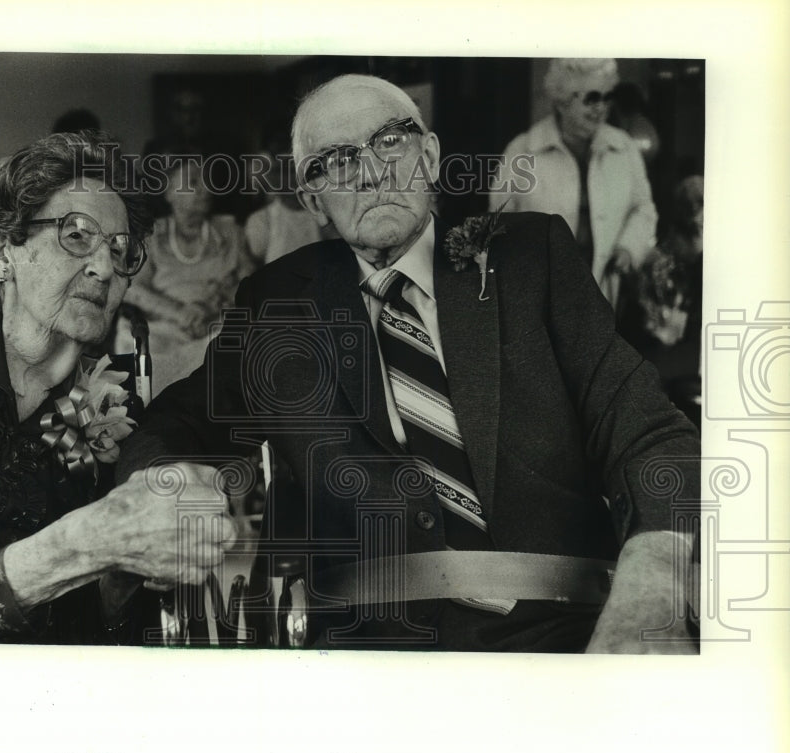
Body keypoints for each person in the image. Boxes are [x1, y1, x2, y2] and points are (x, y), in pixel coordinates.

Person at [112, 74, 700, 653]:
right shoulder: (280, 304)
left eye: (390, 140)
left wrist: (654, 579)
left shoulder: (531, 259)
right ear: (312, 198)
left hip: (566, 632)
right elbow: (175, 424)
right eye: (335, 160)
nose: (370, 170)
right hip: (370, 649)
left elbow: (647, 431)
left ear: (431, 155)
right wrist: (158, 484)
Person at [0, 131, 236, 643]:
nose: (105, 267)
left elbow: (105, 626)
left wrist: (129, 570)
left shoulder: (115, 396)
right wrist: (95, 541)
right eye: (76, 235)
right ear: (2, 251)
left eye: (122, 250)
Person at [489, 59, 657, 309]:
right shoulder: (522, 150)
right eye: (591, 98)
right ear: (562, 101)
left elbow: (643, 208)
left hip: (605, 293)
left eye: (607, 97)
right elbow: (499, 222)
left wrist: (628, 248)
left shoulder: (624, 148)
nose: (601, 107)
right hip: (539, 299)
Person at [124, 155, 258, 393]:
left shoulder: (231, 231)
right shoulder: (152, 237)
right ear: (169, 192)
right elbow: (132, 288)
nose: (205, 189)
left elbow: (251, 282)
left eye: (206, 181)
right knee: (138, 346)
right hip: (166, 329)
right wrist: (179, 312)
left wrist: (209, 307)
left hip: (217, 324)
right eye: (193, 182)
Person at [620, 175, 704, 429]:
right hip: (655, 367)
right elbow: (663, 338)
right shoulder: (660, 265)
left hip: (669, 365)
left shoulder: (693, 265)